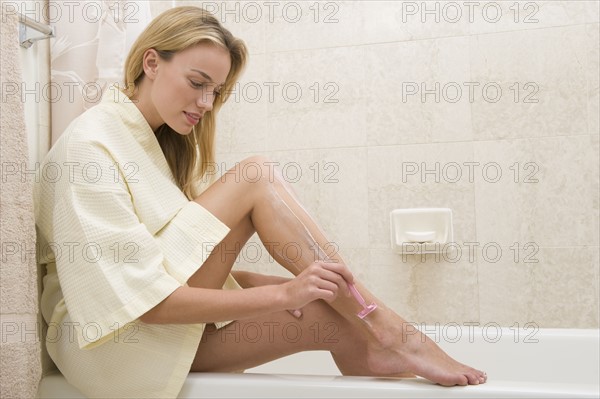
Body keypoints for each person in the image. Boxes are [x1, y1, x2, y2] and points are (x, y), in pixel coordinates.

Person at [34, 6, 487, 398]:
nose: (207, 103)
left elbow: (160, 263)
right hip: (117, 352)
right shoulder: (91, 148)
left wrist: (268, 286)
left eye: (216, 91)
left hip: (153, 331)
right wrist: (281, 293)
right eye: (197, 82)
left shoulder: (150, 146)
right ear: (151, 62)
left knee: (331, 313)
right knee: (255, 176)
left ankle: (385, 338)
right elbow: (142, 302)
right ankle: (393, 329)